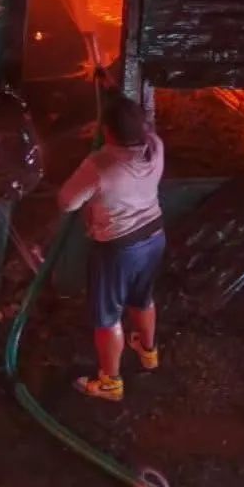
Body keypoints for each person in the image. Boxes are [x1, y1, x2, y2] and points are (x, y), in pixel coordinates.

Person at [56, 89, 165, 402]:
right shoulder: (156, 147)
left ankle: (110, 383)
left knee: (107, 317)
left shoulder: (100, 164)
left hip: (118, 248)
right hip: (154, 237)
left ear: (107, 131)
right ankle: (148, 352)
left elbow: (66, 202)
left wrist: (88, 166)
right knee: (143, 298)